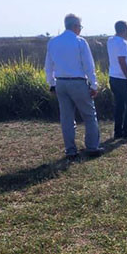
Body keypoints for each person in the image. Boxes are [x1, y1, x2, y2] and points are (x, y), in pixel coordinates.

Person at [44, 14, 103, 158]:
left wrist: (52, 84)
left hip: (61, 83)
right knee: (89, 115)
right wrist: (94, 85)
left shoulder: (53, 42)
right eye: (80, 27)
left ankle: (70, 150)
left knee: (66, 118)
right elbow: (89, 66)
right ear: (75, 26)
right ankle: (92, 146)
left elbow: (48, 66)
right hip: (77, 82)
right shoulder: (80, 42)